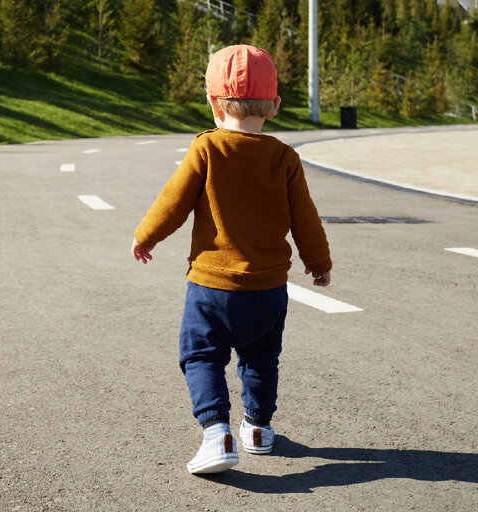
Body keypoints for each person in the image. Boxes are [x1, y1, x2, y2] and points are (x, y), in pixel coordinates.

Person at [131, 44, 332, 475]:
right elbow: (306, 219)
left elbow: (173, 202)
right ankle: (257, 428)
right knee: (261, 359)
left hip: (212, 287)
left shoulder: (206, 149)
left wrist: (145, 236)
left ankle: (216, 432)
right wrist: (319, 263)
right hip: (269, 291)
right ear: (275, 106)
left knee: (202, 356)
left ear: (212, 102)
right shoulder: (284, 158)